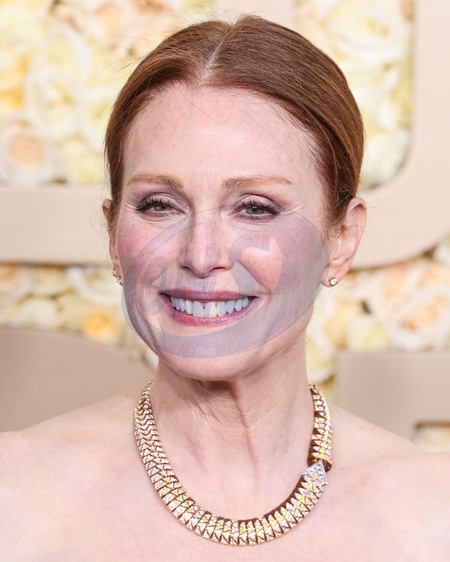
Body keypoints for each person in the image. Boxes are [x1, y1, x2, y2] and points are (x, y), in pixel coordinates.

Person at [1, 15, 449, 561]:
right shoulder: (15, 495)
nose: (201, 254)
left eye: (255, 208)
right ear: (114, 235)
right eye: (159, 205)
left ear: (343, 238)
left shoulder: (433, 514)